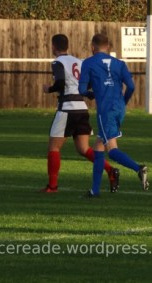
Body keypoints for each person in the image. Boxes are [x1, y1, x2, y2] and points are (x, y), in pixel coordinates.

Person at [40, 34, 119, 194]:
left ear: (53, 46)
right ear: (67, 45)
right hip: (82, 109)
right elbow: (89, 82)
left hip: (67, 108)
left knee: (54, 147)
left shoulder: (58, 62)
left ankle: (52, 187)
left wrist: (49, 89)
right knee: (83, 149)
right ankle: (110, 170)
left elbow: (60, 82)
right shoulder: (79, 62)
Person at [79, 33, 149, 197]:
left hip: (105, 110)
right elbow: (131, 86)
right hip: (119, 108)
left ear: (93, 47)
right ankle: (94, 190)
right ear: (108, 47)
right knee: (98, 148)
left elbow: (82, 89)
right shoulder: (120, 63)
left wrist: (90, 94)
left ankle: (139, 168)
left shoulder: (88, 63)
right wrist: (124, 101)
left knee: (111, 149)